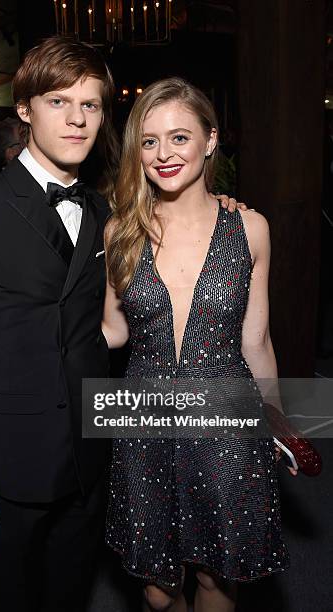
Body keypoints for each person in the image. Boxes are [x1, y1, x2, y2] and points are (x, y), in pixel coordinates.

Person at [0, 37, 243, 611]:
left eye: (90, 105)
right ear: (24, 111)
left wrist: (224, 210)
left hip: (92, 462)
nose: (76, 119)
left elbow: (119, 317)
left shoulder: (105, 217)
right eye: (57, 102)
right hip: (6, 474)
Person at [102, 78, 297, 612]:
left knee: (216, 578)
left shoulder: (250, 228)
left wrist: (276, 419)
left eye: (180, 137)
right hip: (145, 422)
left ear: (210, 141)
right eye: (149, 141)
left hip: (227, 423)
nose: (163, 154)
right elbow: (112, 330)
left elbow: (256, 339)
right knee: (158, 593)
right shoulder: (120, 230)